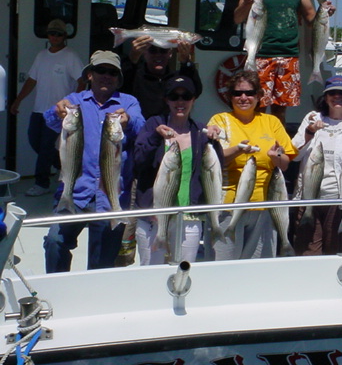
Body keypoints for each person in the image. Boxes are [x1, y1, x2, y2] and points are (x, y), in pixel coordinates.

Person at [43, 50, 145, 272]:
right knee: (54, 242)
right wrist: (57, 110)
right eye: (100, 70)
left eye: (112, 72)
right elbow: (49, 120)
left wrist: (127, 121)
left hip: (110, 196)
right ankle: (57, 290)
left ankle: (93, 298)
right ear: (89, 75)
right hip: (76, 192)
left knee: (102, 262)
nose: (106, 76)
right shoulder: (74, 102)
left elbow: (141, 126)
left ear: (118, 78)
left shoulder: (128, 103)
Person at [234, 0, 335, 124]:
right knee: (258, 106)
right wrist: (246, 3)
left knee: (281, 109)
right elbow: (238, 17)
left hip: (289, 54)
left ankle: (276, 147)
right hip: (260, 54)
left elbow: (310, 20)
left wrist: (325, 13)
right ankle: (258, 144)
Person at [207, 70, 297, 260]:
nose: (243, 97)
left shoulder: (272, 122)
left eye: (249, 93)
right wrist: (237, 150)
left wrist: (276, 157)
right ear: (230, 96)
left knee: (257, 268)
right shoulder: (220, 121)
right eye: (237, 93)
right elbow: (212, 160)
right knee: (222, 266)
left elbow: (285, 163)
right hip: (227, 207)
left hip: (264, 208)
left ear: (258, 96)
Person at [134, 76, 223, 265]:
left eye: (186, 96)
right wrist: (154, 138)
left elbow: (216, 169)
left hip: (189, 215)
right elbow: (139, 162)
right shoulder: (154, 125)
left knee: (184, 271)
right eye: (174, 96)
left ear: (193, 100)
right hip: (154, 216)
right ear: (166, 100)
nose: (180, 102)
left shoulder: (201, 131)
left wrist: (215, 142)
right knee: (150, 273)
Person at [292, 76, 342, 255]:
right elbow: (294, 155)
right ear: (325, 98)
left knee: (338, 253)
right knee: (307, 253)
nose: (337, 97)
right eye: (332, 93)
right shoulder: (312, 118)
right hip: (310, 197)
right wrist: (309, 132)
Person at [10, 19, 84, 197]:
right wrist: (18, 100)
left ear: (64, 36)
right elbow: (31, 80)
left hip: (59, 112)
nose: (55, 37)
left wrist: (73, 103)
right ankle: (64, 168)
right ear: (48, 35)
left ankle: (41, 183)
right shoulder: (41, 55)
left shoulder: (71, 56)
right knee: (34, 142)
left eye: (58, 34)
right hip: (38, 110)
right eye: (52, 33)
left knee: (45, 148)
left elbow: (82, 81)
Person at [120, 36, 202, 119]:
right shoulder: (135, 76)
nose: (158, 55)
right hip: (142, 128)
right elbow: (122, 87)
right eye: (153, 51)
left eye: (163, 51)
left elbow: (196, 90)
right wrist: (132, 58)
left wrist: (186, 61)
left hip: (171, 129)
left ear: (170, 53)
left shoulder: (177, 78)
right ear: (144, 53)